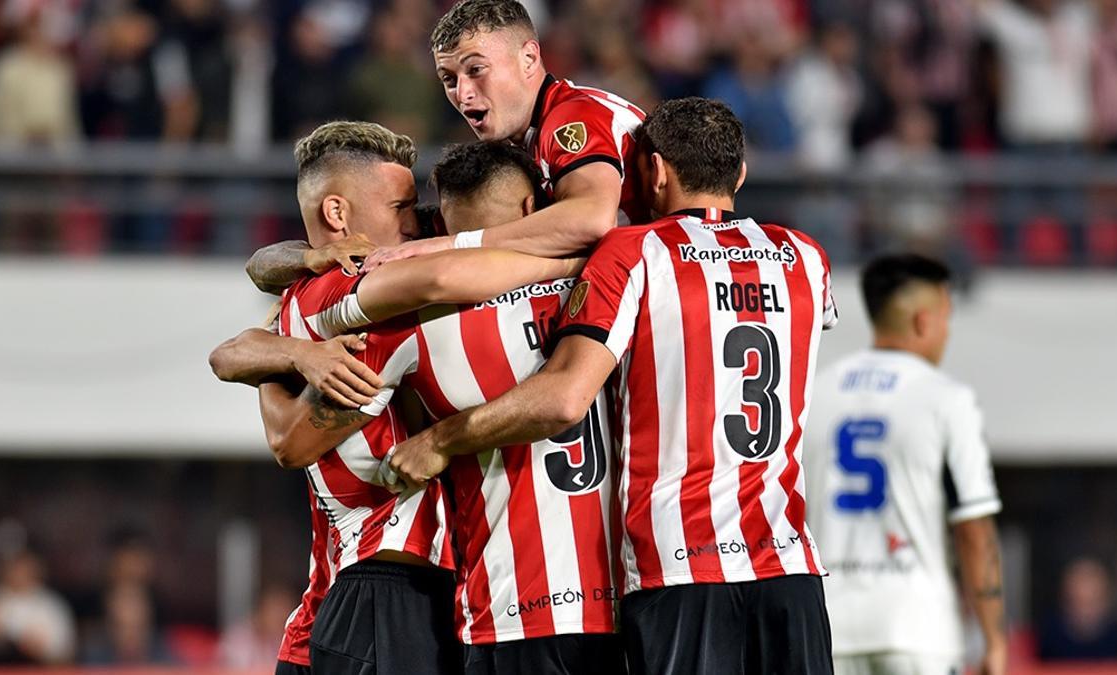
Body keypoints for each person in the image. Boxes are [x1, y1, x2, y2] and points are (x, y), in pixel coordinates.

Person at [385, 97, 837, 675]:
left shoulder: (634, 253)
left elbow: (565, 396)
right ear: (740, 174)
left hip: (681, 565)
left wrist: (441, 440)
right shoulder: (805, 257)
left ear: (654, 172)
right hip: (789, 566)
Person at [208, 121, 581, 675]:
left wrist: (284, 348)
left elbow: (254, 292)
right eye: (401, 206)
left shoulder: (314, 286)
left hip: (349, 602)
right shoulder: (372, 302)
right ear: (339, 214)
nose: (418, 223)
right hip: (385, 598)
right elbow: (290, 439)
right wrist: (581, 262)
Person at [802, 253, 1006, 675]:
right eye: (946, 319)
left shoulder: (813, 394)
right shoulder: (947, 398)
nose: (947, 333)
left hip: (829, 627)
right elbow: (973, 527)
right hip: (918, 631)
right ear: (922, 322)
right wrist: (993, 638)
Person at [370, 0, 649, 264]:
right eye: (449, 79)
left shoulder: (574, 116)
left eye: (476, 69)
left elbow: (591, 221)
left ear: (528, 58)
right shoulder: (525, 135)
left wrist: (453, 244)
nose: (463, 93)